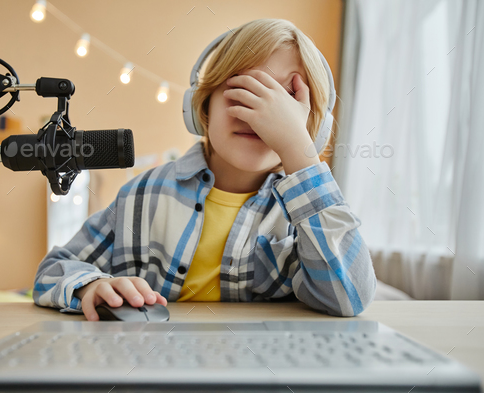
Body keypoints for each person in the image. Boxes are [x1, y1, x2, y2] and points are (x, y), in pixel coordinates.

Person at [32, 18, 377, 320]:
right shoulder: (143, 196)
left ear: (312, 128)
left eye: (285, 100)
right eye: (241, 88)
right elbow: (51, 272)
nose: (258, 112)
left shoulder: (305, 216)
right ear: (202, 107)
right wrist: (91, 287)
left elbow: (350, 297)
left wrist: (297, 151)